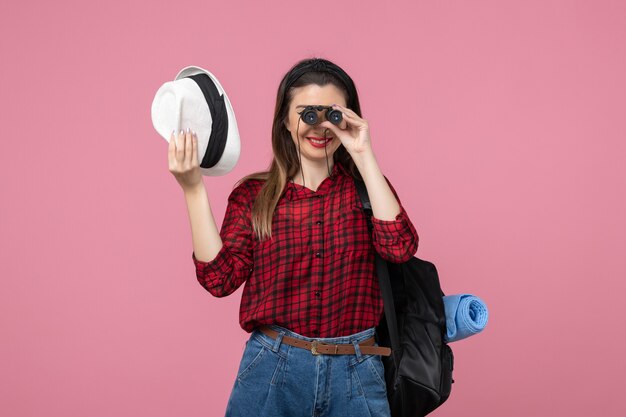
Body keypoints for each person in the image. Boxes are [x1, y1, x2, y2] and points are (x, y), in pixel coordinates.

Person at [168, 57, 419, 417]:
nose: (320, 127)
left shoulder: (368, 192)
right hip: (273, 368)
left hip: (357, 370)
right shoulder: (254, 196)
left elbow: (400, 247)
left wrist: (364, 154)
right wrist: (193, 189)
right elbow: (219, 280)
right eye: (306, 113)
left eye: (332, 114)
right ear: (285, 120)